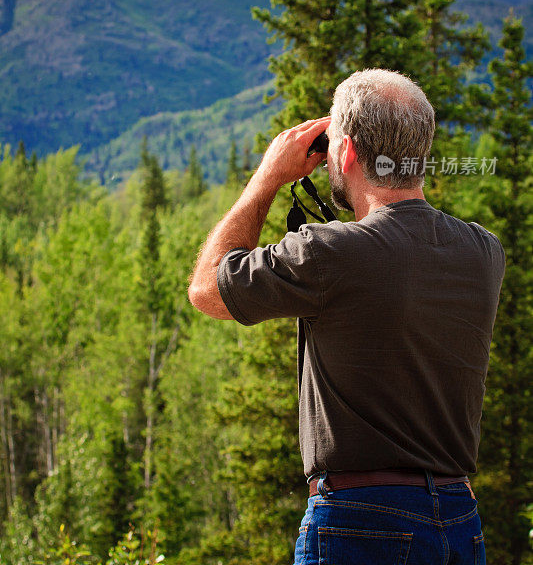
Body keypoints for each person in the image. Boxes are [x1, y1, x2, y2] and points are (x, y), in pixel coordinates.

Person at [188, 68, 505, 565]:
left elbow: (207, 289)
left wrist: (269, 174)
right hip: (459, 522)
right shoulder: (483, 252)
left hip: (361, 522)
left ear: (348, 152)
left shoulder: (331, 253)